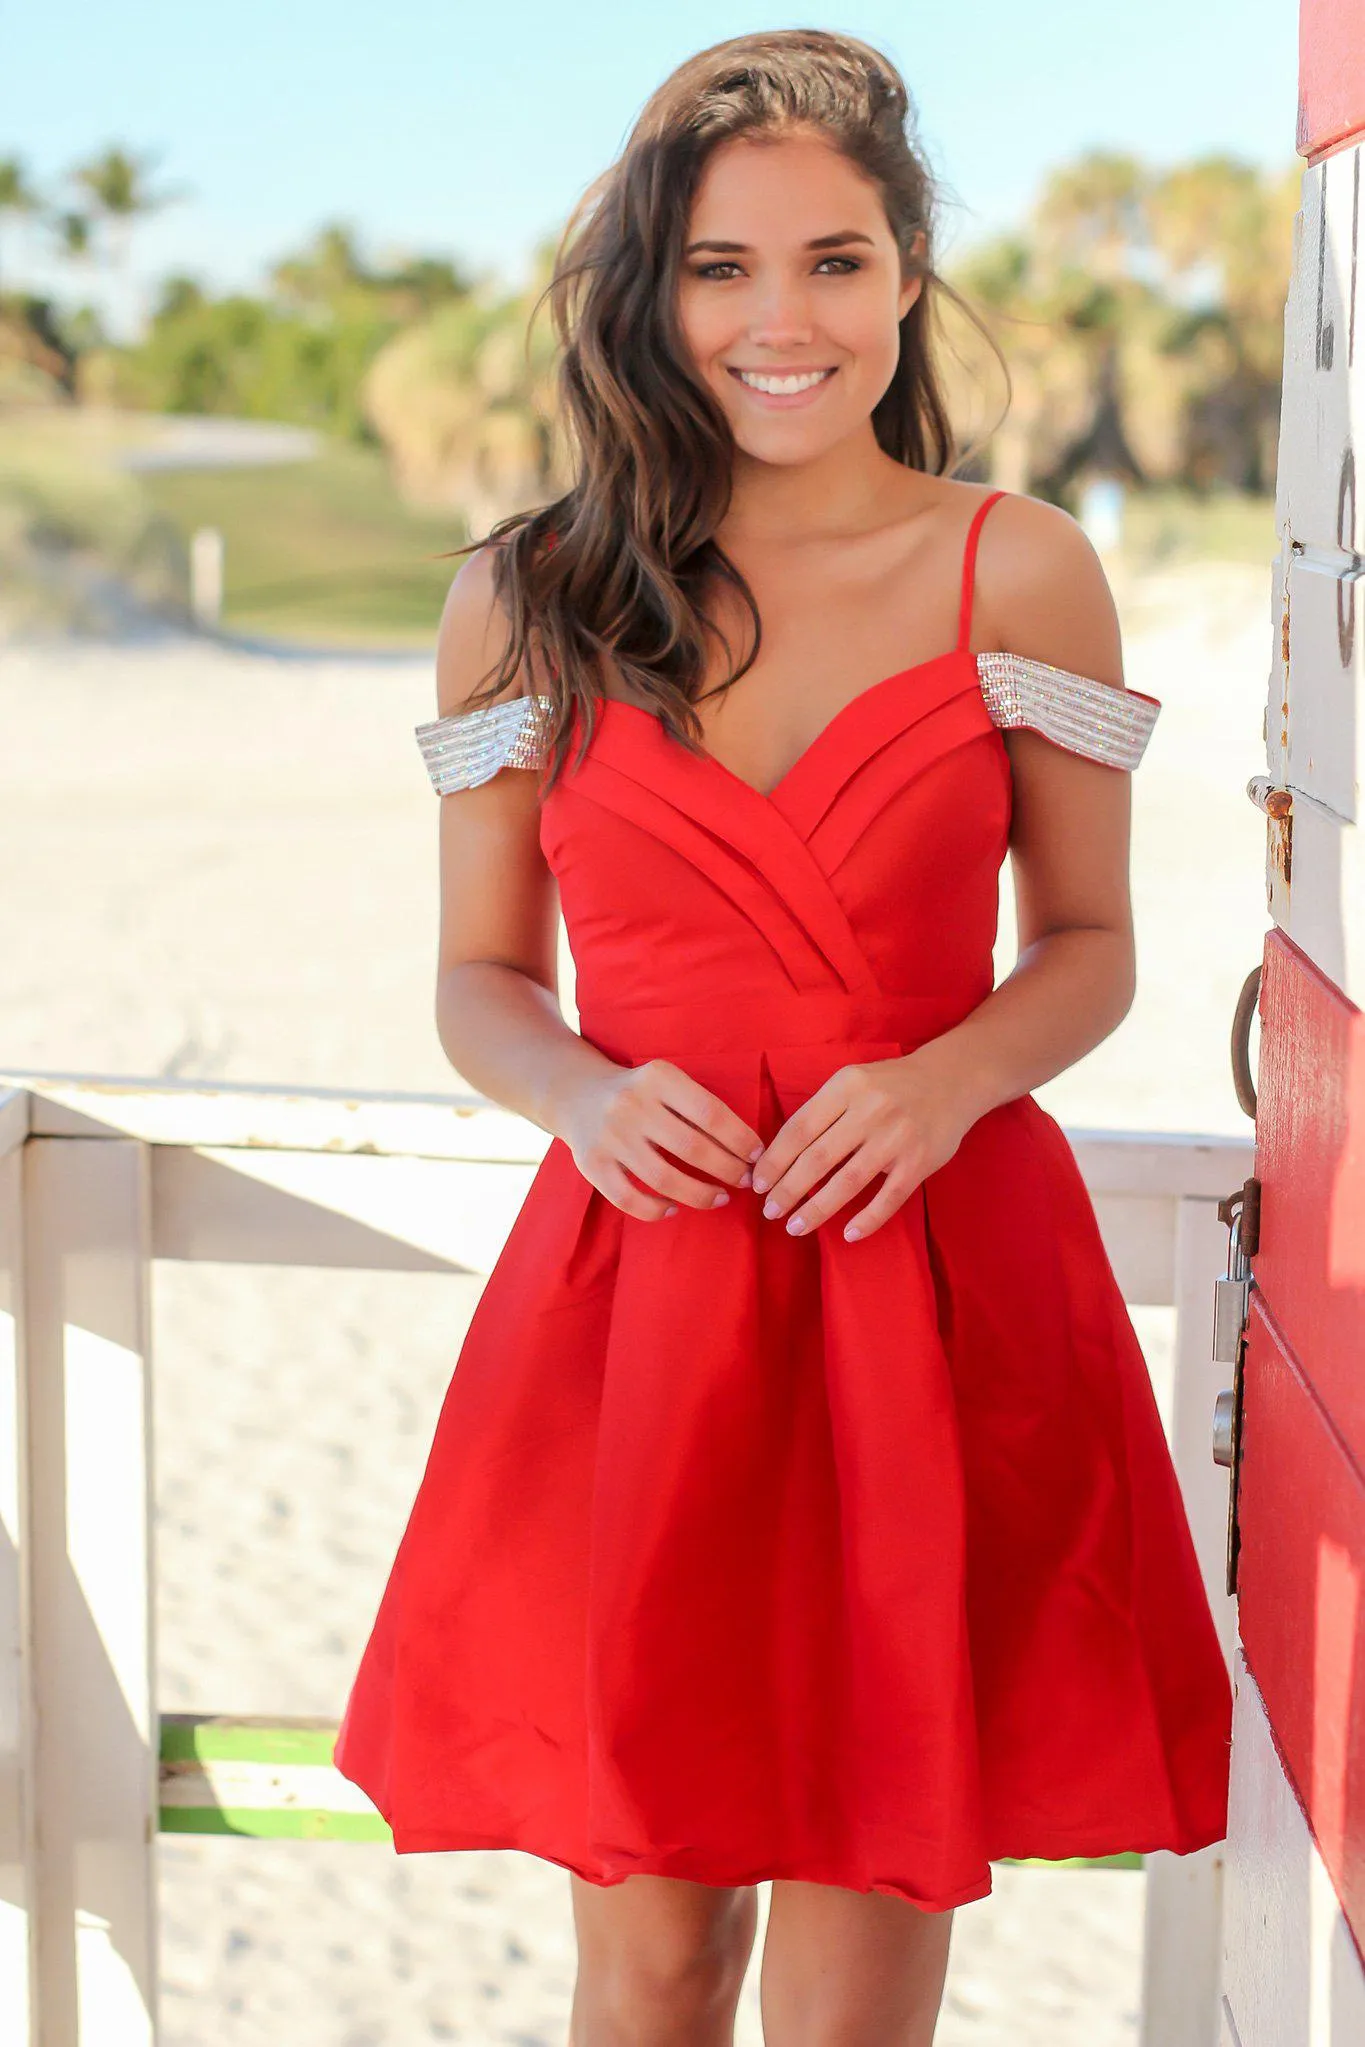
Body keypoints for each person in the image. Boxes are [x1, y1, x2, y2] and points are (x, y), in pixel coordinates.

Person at [334, 28, 1233, 2046]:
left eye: (832, 261)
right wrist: (575, 1088)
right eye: (723, 268)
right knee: (646, 1950)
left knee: (861, 1954)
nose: (781, 317)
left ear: (907, 278)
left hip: (925, 1284)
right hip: (645, 1305)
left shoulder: (1022, 569)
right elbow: (480, 978)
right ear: (654, 295)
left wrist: (942, 1078)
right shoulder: (530, 593)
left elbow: (1085, 947)